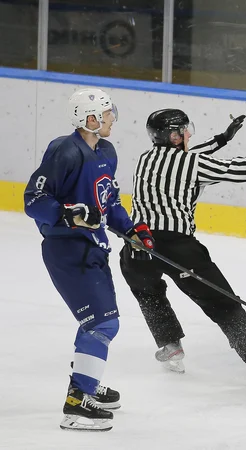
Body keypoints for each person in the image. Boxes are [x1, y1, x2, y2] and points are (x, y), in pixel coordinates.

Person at [119, 109, 246, 386]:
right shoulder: (192, 165)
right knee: (222, 303)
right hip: (179, 247)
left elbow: (188, 156)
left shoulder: (145, 159)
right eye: (184, 130)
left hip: (138, 247)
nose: (188, 134)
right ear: (174, 136)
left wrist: (222, 138)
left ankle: (170, 343)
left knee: (148, 291)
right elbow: (235, 169)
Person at [23, 88, 151, 431]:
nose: (113, 119)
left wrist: (133, 229)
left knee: (101, 321)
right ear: (90, 120)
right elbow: (34, 200)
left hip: (94, 249)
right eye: (108, 114)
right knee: (103, 324)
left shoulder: (106, 151)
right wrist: (70, 215)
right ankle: (78, 402)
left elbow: (108, 201)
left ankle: (87, 381)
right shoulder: (64, 151)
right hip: (68, 251)